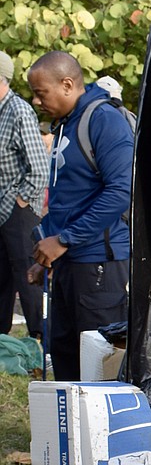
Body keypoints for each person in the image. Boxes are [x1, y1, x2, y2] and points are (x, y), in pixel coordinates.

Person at [27, 52, 133, 381]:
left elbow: (122, 190)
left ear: (67, 84)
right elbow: (68, 198)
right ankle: (68, 418)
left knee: (99, 367)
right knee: (65, 357)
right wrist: (47, 252)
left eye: (41, 93)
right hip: (68, 263)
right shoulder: (65, 124)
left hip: (99, 265)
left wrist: (63, 240)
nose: (36, 101)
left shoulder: (104, 119)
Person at [0, 50, 49, 340]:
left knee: (26, 274)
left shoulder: (18, 111)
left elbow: (39, 167)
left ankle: (39, 338)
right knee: (2, 278)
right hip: (1, 209)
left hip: (18, 209)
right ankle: (3, 340)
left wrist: (21, 201)